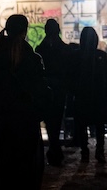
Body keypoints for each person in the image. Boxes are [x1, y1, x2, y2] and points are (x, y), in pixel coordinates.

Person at [0, 14, 48, 190]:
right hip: (26, 123)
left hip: (4, 122)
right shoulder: (32, 59)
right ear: (25, 31)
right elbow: (41, 90)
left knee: (6, 171)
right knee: (28, 171)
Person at [70, 25, 107, 163]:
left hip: (82, 98)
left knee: (82, 127)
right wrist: (104, 91)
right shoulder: (102, 56)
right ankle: (99, 152)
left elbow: (69, 78)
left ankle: (85, 153)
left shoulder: (76, 57)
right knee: (100, 126)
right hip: (99, 98)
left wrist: (75, 92)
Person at [34, 17, 70, 166]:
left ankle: (54, 149)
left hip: (47, 89)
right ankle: (55, 150)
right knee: (55, 120)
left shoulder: (40, 50)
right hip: (58, 89)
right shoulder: (64, 49)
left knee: (50, 121)